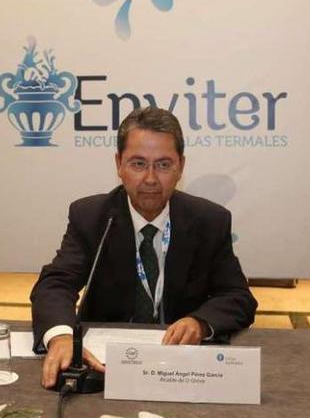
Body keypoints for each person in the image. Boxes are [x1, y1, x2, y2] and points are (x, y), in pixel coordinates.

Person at [31, 106, 257, 388]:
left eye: (163, 165)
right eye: (138, 164)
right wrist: (62, 337)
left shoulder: (209, 220)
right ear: (119, 165)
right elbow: (55, 285)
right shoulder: (92, 216)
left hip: (182, 369)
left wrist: (199, 323)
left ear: (180, 167)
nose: (150, 178)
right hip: (103, 368)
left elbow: (237, 297)